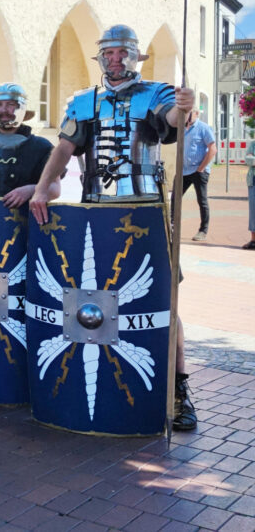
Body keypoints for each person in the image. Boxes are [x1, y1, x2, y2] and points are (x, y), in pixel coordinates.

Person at [29, 24, 198, 432]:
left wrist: (184, 105)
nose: (116, 59)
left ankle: (178, 388)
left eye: (123, 52)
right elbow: (64, 149)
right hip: (97, 212)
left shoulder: (156, 94)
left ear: (135, 56)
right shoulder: (84, 102)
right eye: (109, 53)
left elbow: (172, 121)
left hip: (145, 212)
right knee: (95, 298)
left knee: (164, 301)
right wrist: (39, 190)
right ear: (100, 58)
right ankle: (99, 383)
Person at [180, 109, 216, 242]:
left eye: (188, 113)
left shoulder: (203, 128)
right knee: (175, 199)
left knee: (202, 200)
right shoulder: (182, 128)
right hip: (184, 170)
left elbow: (213, 149)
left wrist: (201, 168)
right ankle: (172, 225)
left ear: (196, 113)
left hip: (199, 170)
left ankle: (203, 230)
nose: (185, 115)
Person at [245, 145, 255, 250]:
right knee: (253, 211)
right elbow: (248, 160)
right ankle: (253, 240)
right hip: (253, 182)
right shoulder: (253, 145)